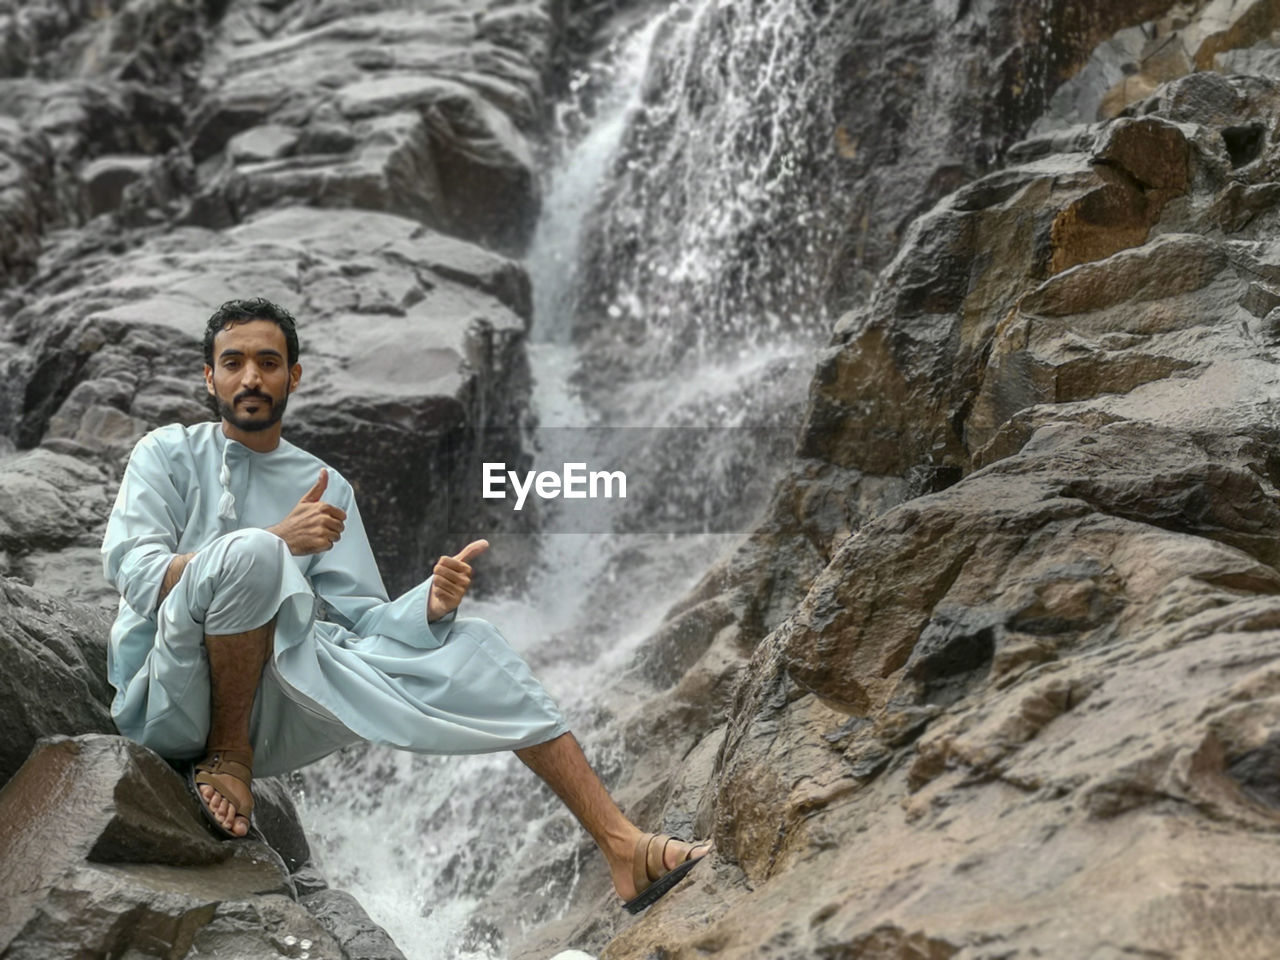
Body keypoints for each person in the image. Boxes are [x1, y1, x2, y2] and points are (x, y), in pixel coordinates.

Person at [100, 297, 709, 914]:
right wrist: (275, 543)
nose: (251, 378)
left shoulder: (326, 485)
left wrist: (429, 605)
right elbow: (136, 572)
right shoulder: (165, 453)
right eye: (233, 363)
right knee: (258, 553)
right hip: (166, 690)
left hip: (270, 701)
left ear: (295, 376)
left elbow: (363, 619)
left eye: (268, 362)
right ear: (210, 377)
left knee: (473, 644)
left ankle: (622, 845)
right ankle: (225, 758)